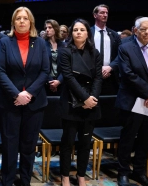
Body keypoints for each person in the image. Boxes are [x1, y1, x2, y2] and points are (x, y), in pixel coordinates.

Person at [0, 7, 49, 186]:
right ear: (13, 22)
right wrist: (17, 94)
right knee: (10, 146)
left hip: (34, 103)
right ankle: (7, 181)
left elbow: (45, 71)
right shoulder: (4, 41)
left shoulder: (40, 43)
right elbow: (0, 71)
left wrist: (29, 93)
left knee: (28, 145)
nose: (22, 21)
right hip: (10, 102)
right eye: (18, 18)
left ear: (31, 22)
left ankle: (25, 180)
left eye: (25, 18)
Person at [116, 17, 148, 186]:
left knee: (145, 139)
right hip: (133, 101)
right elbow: (128, 75)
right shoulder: (126, 48)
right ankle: (123, 173)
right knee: (128, 139)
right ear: (135, 30)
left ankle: (139, 172)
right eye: (143, 29)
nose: (147, 32)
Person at [58, 19, 102, 186]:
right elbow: (68, 77)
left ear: (87, 33)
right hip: (71, 102)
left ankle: (81, 175)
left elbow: (98, 78)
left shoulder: (95, 53)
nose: (78, 32)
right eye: (75, 29)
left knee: (85, 143)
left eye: (82, 29)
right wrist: (84, 98)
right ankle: (65, 176)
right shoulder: (65, 51)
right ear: (71, 33)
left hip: (91, 103)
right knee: (67, 142)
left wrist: (92, 100)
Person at [90, 4, 121, 95]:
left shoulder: (114, 35)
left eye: (107, 13)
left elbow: (121, 54)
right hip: (92, 74)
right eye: (102, 13)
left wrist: (110, 67)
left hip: (110, 75)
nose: (105, 15)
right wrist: (98, 69)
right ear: (95, 15)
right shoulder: (88, 33)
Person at [44, 19, 65, 95]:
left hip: (61, 81)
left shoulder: (64, 45)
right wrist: (50, 81)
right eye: (46, 28)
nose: (47, 30)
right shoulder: (42, 45)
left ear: (55, 29)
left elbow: (66, 66)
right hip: (46, 82)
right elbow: (41, 65)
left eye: (50, 27)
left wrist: (59, 81)